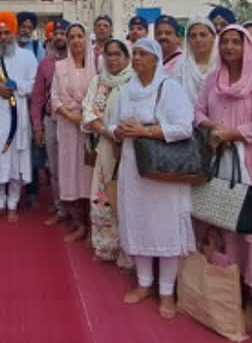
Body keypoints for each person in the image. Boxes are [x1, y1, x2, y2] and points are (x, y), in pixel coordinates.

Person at [194, 24, 252, 331]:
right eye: (224, 41)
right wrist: (212, 127)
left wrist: (231, 133)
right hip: (218, 162)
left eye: (235, 42)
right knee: (219, 225)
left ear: (248, 47)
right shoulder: (213, 78)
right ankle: (226, 292)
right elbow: (197, 111)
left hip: (248, 165)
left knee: (249, 232)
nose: (228, 47)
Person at [112, 37, 198, 319]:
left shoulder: (170, 88)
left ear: (155, 59)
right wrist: (120, 130)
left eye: (142, 54)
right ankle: (144, 283)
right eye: (134, 53)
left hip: (165, 171)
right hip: (133, 167)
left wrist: (146, 131)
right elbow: (112, 123)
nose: (136, 58)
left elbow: (185, 127)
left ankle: (166, 291)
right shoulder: (126, 90)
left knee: (165, 227)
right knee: (139, 222)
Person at [0, 12, 38, 221]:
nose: (4, 37)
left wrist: (17, 86)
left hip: (18, 115)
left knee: (16, 159)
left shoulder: (27, 57)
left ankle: (13, 203)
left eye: (7, 32)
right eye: (0, 33)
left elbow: (33, 84)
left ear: (14, 33)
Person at [81, 38, 134, 265]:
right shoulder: (98, 81)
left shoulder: (134, 80)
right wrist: (105, 131)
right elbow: (87, 110)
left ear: (127, 57)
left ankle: (128, 253)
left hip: (129, 148)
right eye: (108, 55)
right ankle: (105, 247)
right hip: (104, 146)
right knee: (103, 197)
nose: (112, 59)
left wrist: (119, 134)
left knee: (126, 199)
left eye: (117, 54)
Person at [51, 22, 97, 243]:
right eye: (73, 37)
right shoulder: (60, 67)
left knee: (89, 174)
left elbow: (100, 96)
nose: (77, 41)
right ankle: (78, 223)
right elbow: (55, 98)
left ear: (86, 39)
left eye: (80, 36)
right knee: (70, 173)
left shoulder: (97, 66)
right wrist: (72, 117)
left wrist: (86, 117)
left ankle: (93, 226)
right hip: (69, 127)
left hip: (91, 128)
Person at [30, 21, 67, 220]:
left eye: (63, 32)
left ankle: (76, 209)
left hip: (74, 122)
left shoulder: (82, 61)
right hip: (51, 120)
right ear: (51, 38)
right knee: (54, 166)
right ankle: (60, 206)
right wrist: (38, 127)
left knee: (73, 166)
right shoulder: (45, 64)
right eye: (57, 33)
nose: (60, 36)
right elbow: (36, 98)